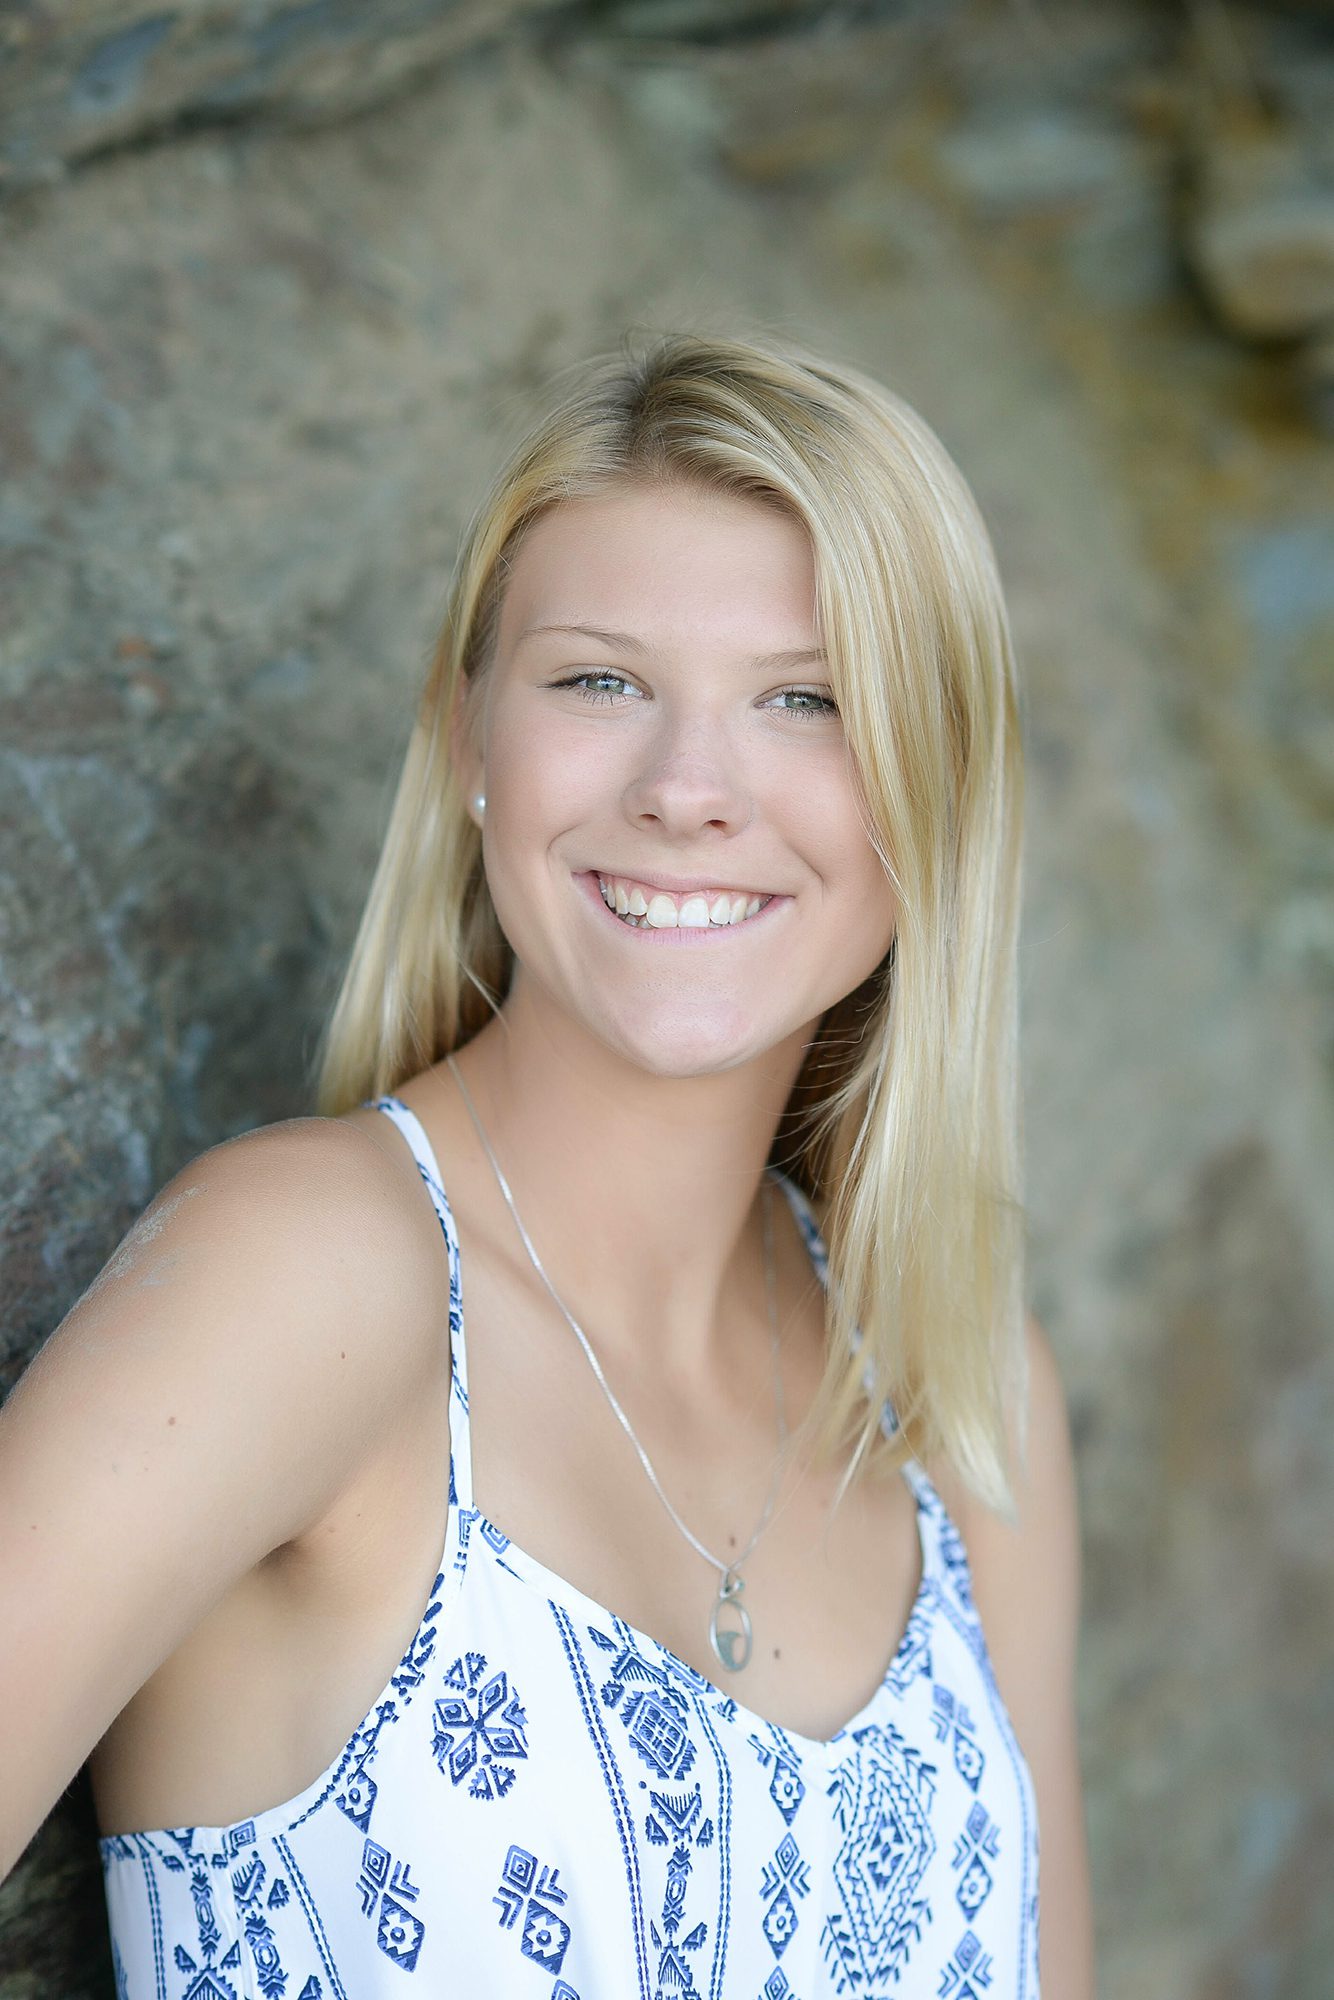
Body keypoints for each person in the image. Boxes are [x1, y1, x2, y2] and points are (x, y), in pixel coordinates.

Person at [1, 327, 1094, 1994]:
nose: (687, 791)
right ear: (467, 742)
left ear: (933, 789)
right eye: (598, 681)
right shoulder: (310, 1280)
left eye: (805, 699)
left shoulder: (958, 1392)